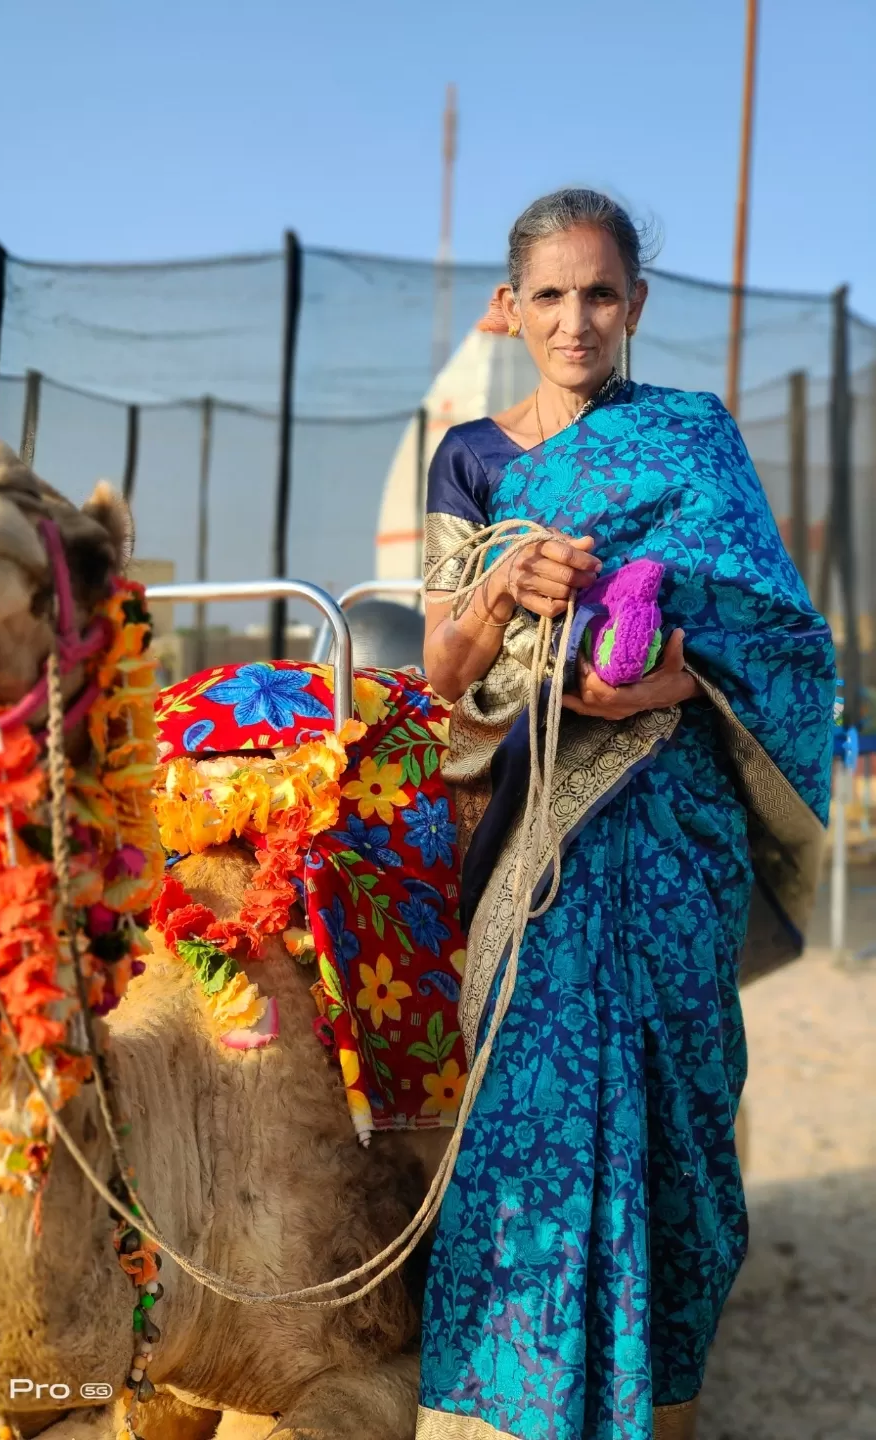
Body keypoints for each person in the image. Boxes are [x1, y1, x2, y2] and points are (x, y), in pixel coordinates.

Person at [417, 188, 836, 1440]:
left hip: (679, 834)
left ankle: (670, 1409)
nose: (577, 319)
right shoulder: (475, 458)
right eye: (550, 295)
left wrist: (675, 671)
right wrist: (501, 589)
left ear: (638, 304)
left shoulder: (698, 439)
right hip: (545, 828)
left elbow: (786, 639)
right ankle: (521, 1404)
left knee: (686, 1128)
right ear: (513, 307)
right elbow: (444, 672)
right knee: (528, 1108)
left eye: (601, 293)